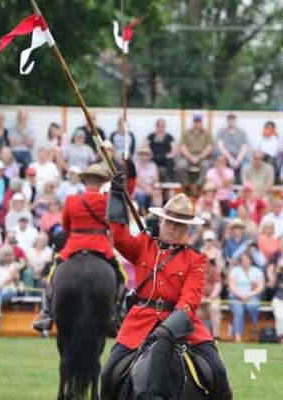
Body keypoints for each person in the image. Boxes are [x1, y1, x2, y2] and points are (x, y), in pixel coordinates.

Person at [101, 175, 233, 400]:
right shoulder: (143, 245)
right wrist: (116, 196)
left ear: (187, 229)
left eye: (179, 224)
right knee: (107, 376)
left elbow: (190, 299)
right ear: (160, 222)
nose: (172, 228)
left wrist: (169, 327)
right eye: (169, 221)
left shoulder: (196, 259)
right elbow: (119, 237)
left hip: (181, 324)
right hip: (139, 322)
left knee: (218, 374)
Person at [32, 163, 126, 334]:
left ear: (86, 180)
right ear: (101, 182)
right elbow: (113, 225)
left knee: (53, 274)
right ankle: (116, 314)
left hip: (74, 244)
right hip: (100, 245)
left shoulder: (71, 200)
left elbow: (66, 227)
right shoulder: (106, 201)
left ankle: (47, 315)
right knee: (122, 277)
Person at [228, 252, 265, 342]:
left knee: (253, 306)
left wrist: (249, 295)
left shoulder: (257, 271)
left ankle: (254, 327)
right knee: (238, 312)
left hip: (251, 295)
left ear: (251, 260)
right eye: (243, 259)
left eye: (246, 259)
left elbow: (261, 286)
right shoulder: (235, 270)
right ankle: (238, 338)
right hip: (236, 296)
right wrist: (240, 295)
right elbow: (232, 285)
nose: (244, 261)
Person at [177, 114, 213, 187]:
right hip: (188, 157)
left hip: (202, 157)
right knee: (181, 165)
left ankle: (198, 185)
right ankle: (186, 185)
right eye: (195, 122)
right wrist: (190, 157)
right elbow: (183, 147)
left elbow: (209, 147)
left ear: (201, 123)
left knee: (206, 165)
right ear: (193, 123)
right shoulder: (186, 133)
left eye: (199, 122)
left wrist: (199, 157)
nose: (197, 124)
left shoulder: (206, 134)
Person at [215, 114, 248, 183]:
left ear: (235, 121)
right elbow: (221, 146)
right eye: (229, 120)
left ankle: (238, 184)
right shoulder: (221, 132)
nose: (231, 122)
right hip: (225, 156)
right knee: (220, 162)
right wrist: (230, 159)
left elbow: (244, 148)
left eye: (233, 120)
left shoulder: (242, 132)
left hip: (238, 156)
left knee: (244, 165)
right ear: (227, 121)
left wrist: (237, 160)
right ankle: (223, 183)